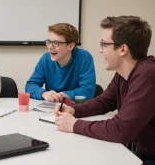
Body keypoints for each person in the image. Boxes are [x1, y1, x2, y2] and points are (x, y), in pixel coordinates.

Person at [54, 16, 155, 164]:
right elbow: (104, 101)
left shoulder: (147, 74)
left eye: (104, 44)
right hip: (143, 153)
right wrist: (74, 111)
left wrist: (74, 125)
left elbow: (121, 129)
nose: (100, 50)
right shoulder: (124, 74)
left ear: (122, 49)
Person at [25, 23, 96, 102]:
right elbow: (30, 85)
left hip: (76, 109)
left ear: (71, 46)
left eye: (56, 43)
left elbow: (87, 92)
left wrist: (62, 95)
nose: (50, 47)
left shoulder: (84, 57)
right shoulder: (46, 58)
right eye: (49, 42)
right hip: (51, 108)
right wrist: (43, 93)